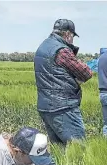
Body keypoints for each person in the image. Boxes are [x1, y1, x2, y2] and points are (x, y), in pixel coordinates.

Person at [34, 19, 92, 147]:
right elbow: (86, 72)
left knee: (59, 151)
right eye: (72, 37)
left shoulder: (42, 47)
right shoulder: (61, 50)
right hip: (63, 107)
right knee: (77, 149)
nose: (72, 40)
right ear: (67, 35)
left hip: (45, 107)